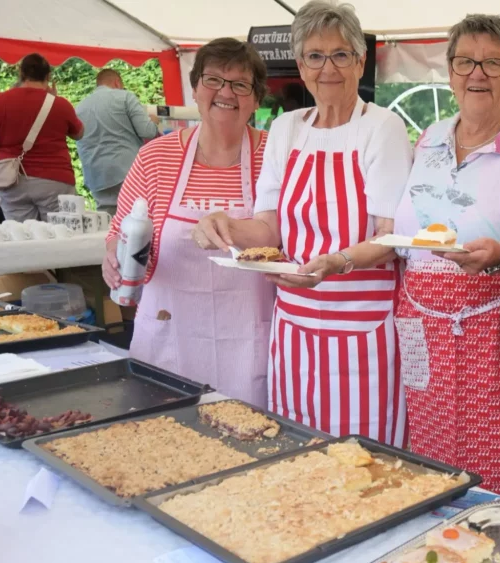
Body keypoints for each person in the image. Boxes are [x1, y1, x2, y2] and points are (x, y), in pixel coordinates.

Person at [192, 1, 413, 445]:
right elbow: (269, 227)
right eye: (314, 56)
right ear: (300, 65)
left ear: (360, 61)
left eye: (340, 54)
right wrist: (226, 227)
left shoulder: (382, 128)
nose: (327, 67)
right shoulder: (287, 128)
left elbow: (391, 238)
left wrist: (337, 261)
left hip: (362, 329)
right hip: (294, 324)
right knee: (296, 448)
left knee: (366, 458)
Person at [391, 14, 500, 500]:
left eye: (493, 63)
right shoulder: (427, 139)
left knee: (497, 469)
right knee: (433, 467)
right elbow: (404, 229)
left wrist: (499, 255)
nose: (478, 75)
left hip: (498, 335)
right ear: (449, 72)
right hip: (424, 328)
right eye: (465, 61)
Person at [102, 39, 274, 407]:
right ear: (195, 89)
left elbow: (296, 238)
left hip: (249, 344)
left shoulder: (277, 157)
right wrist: (114, 257)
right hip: (169, 337)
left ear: (256, 99)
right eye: (213, 80)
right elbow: (120, 230)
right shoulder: (155, 157)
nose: (225, 93)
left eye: (240, 84)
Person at [0, 53, 83, 220]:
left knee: (20, 238)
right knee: (60, 237)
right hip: (55, 180)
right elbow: (79, 134)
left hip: (12, 181)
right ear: (48, 76)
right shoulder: (60, 104)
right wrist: (53, 99)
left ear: (21, 73)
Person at [76, 68, 160, 214]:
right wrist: (153, 121)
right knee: (137, 221)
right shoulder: (125, 97)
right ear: (117, 82)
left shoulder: (80, 107)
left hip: (96, 176)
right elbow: (147, 131)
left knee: (108, 227)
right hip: (127, 172)